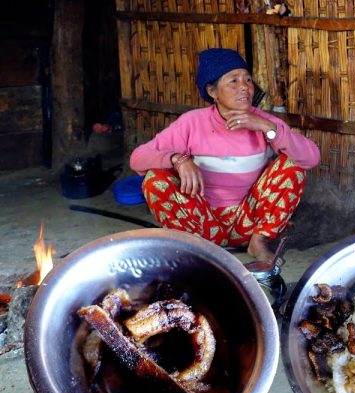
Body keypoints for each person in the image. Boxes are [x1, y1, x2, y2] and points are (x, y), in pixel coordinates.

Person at [130, 48, 320, 262]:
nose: (245, 88)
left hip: (249, 223)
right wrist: (178, 159)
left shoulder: (262, 122)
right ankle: (198, 249)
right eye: (233, 81)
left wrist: (269, 128)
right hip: (202, 224)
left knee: (293, 166)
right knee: (155, 180)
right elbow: (137, 159)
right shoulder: (192, 122)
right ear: (213, 92)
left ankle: (259, 242)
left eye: (248, 80)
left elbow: (311, 157)